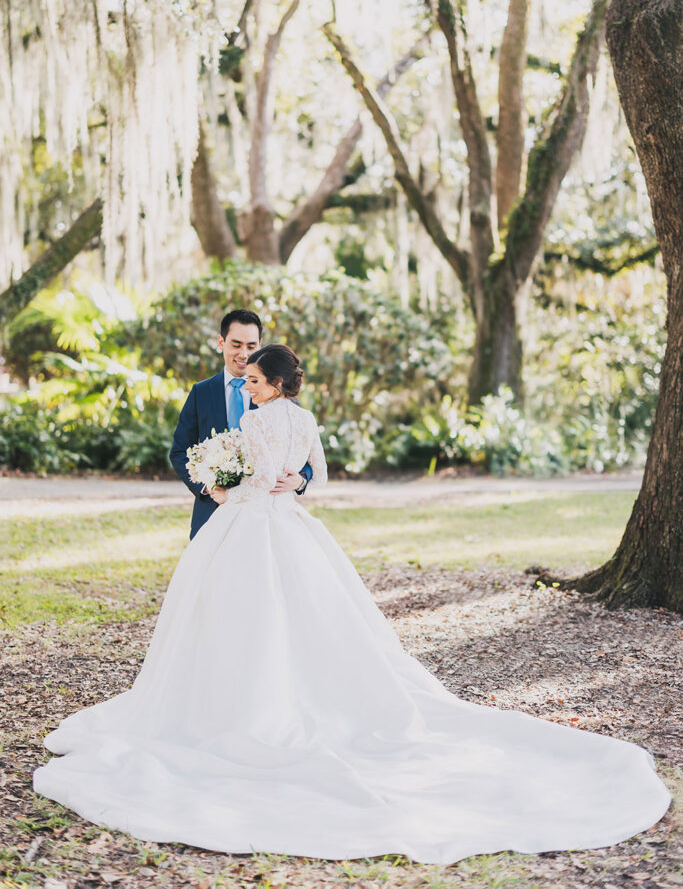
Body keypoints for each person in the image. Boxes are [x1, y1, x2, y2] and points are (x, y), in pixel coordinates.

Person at [34, 345, 670, 864]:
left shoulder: (256, 421)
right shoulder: (305, 420)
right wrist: (298, 482)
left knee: (240, 617)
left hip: (250, 523)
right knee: (312, 616)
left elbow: (246, 477)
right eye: (246, 377)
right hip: (290, 523)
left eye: (254, 378)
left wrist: (215, 480)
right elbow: (320, 475)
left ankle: (237, 702)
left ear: (277, 383)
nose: (247, 385)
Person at [169, 308, 312, 538]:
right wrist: (207, 487)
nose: (243, 354)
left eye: (251, 346)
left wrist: (301, 479)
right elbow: (179, 451)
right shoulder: (201, 393)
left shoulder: (282, 397)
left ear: (261, 346)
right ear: (221, 342)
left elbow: (300, 449)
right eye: (236, 345)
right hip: (213, 511)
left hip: (265, 515)